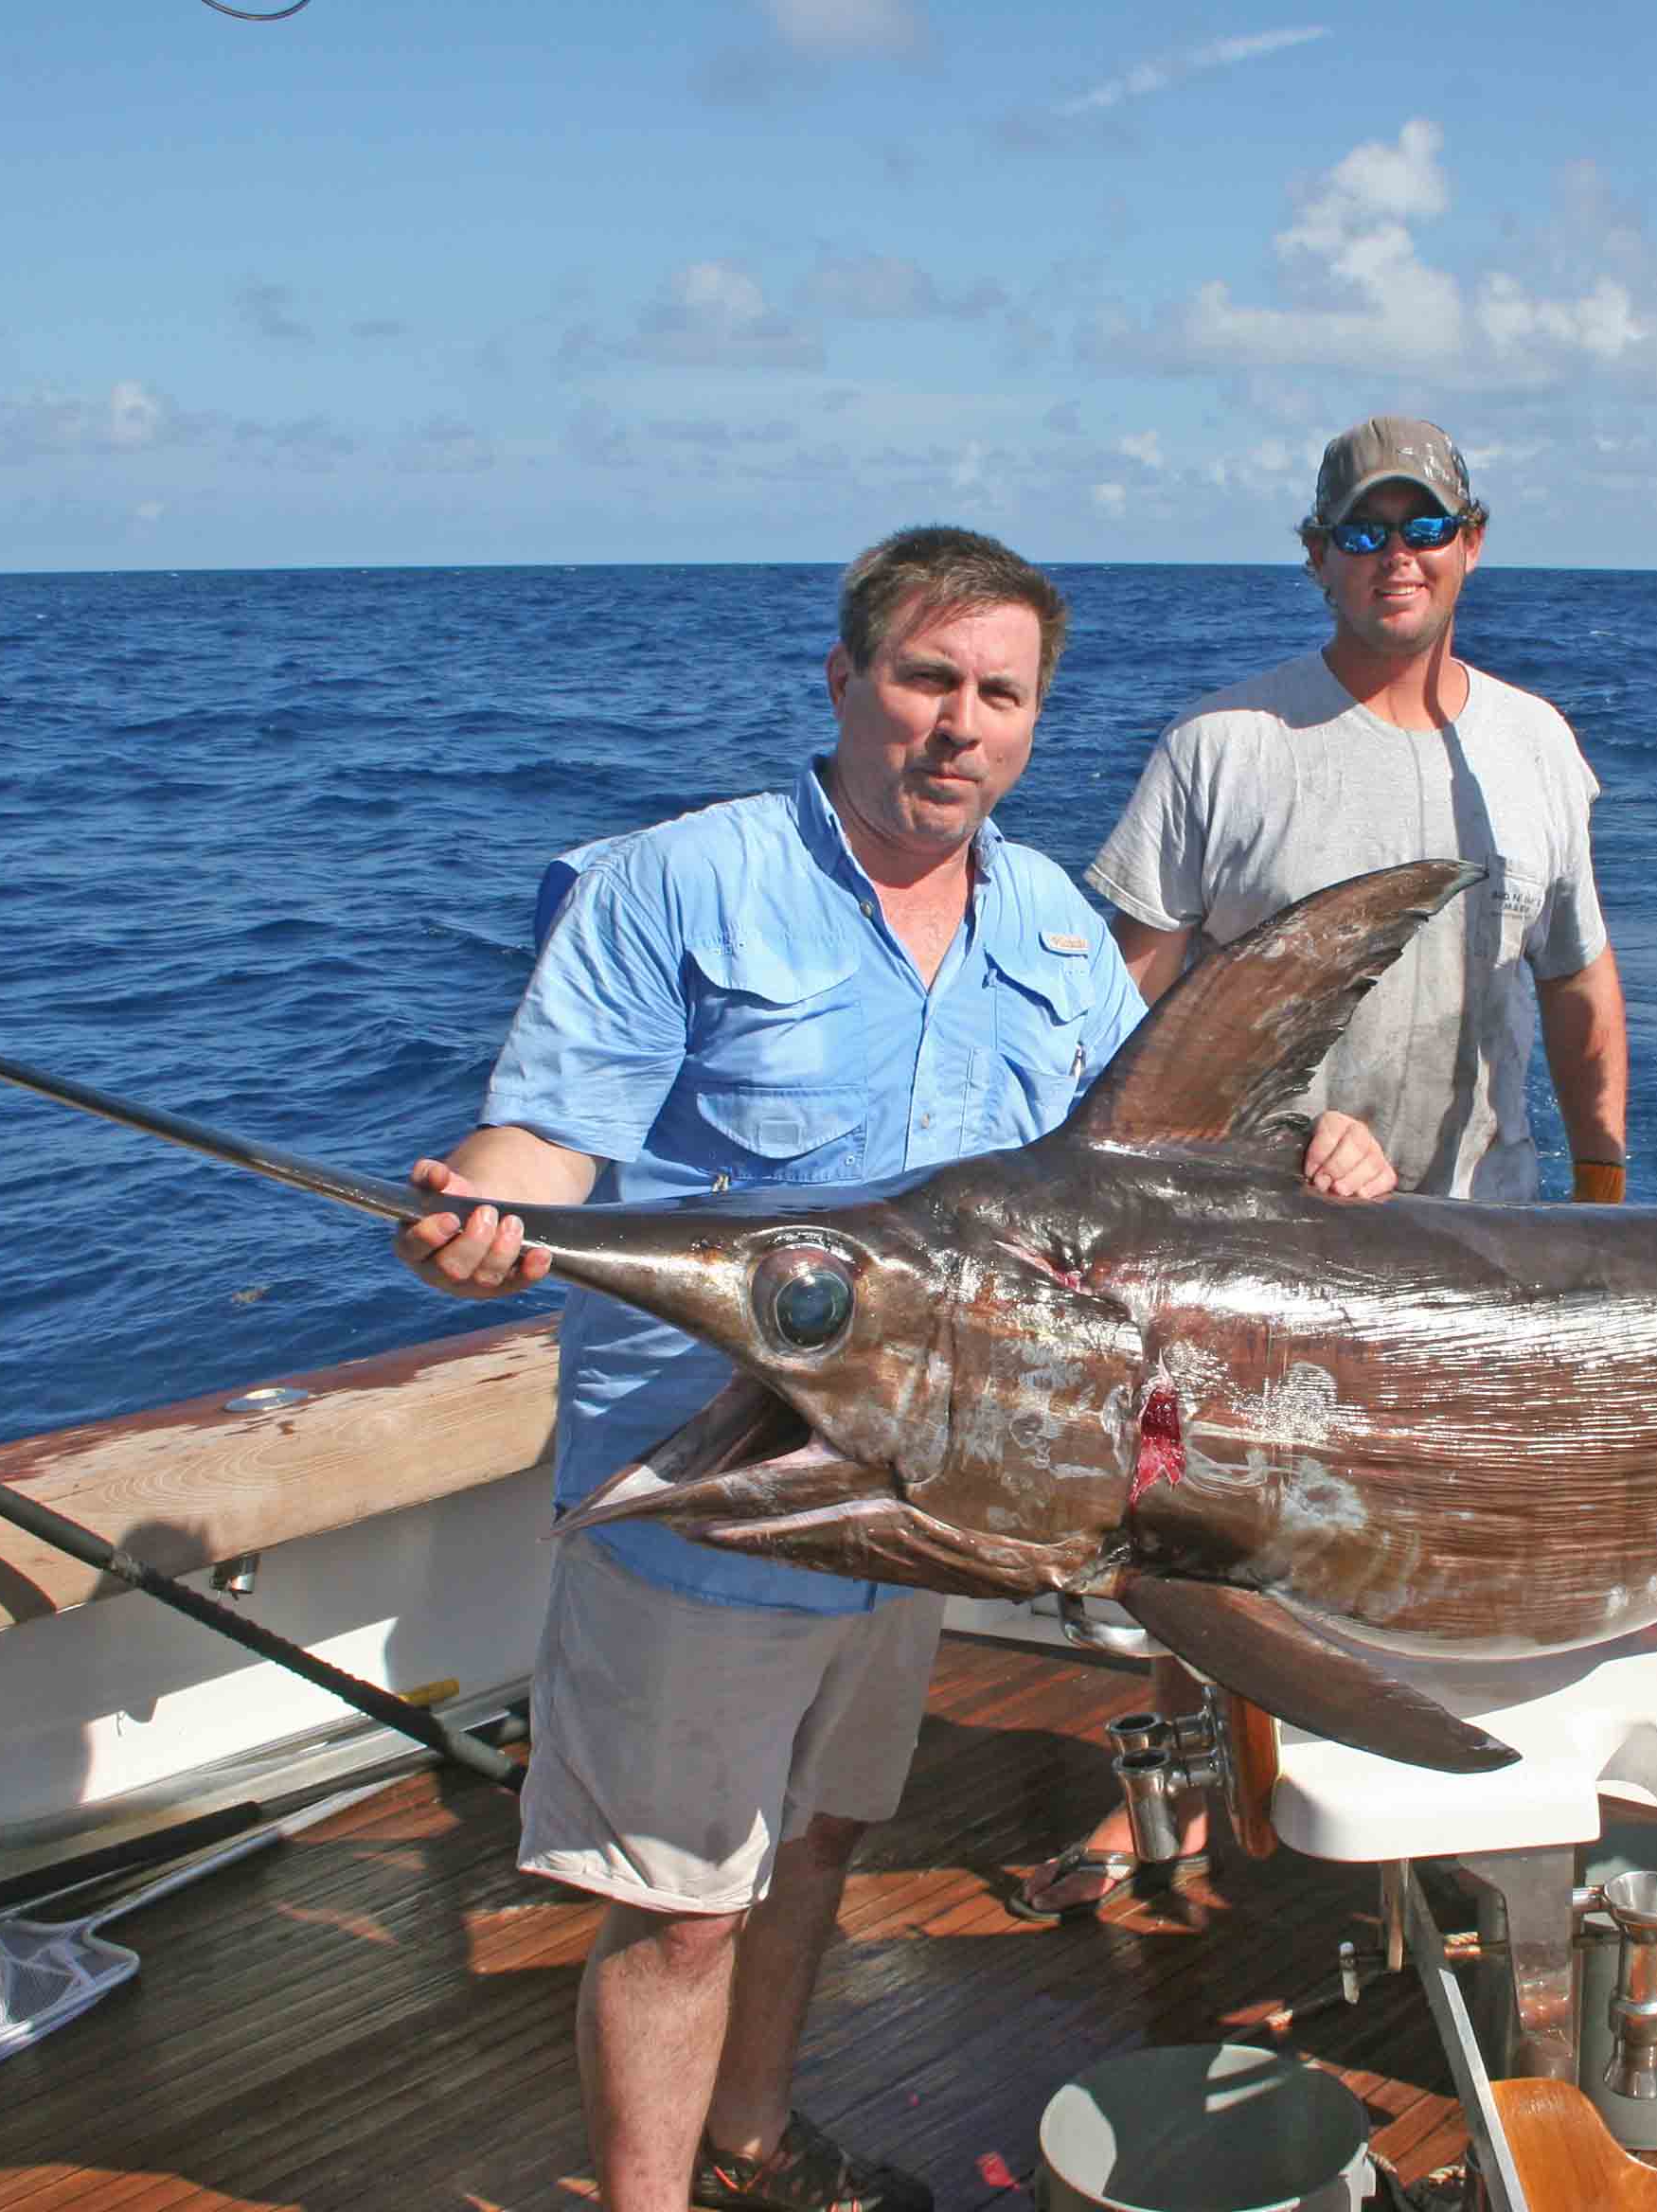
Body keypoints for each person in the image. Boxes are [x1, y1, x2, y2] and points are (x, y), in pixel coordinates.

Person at [394, 526, 1149, 2212]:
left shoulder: (1051, 921)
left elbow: (1140, 1165)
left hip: (916, 1504)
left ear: (1036, 720)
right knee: (678, 1909)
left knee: (820, 1842)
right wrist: (480, 1209)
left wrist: (1317, 1152)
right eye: (926, 679)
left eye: (1001, 694)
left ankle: (749, 2138)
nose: (959, 724)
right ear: (845, 681)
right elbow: (547, 1137)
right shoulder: (676, 882)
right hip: (711, 1499)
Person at [1010, 414, 1630, 1919]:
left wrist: (1610, 1196)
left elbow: (1576, 978)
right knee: (1198, 1531)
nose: (1393, 556)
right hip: (1247, 1257)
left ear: (1471, 545)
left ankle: (1433, 1809)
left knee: (1444, 1527)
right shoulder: (1226, 747)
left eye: (1423, 528)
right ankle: (1174, 1780)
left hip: (1472, 1240)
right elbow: (1118, 1001)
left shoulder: (1537, 745)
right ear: (1316, 558)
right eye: (1361, 531)